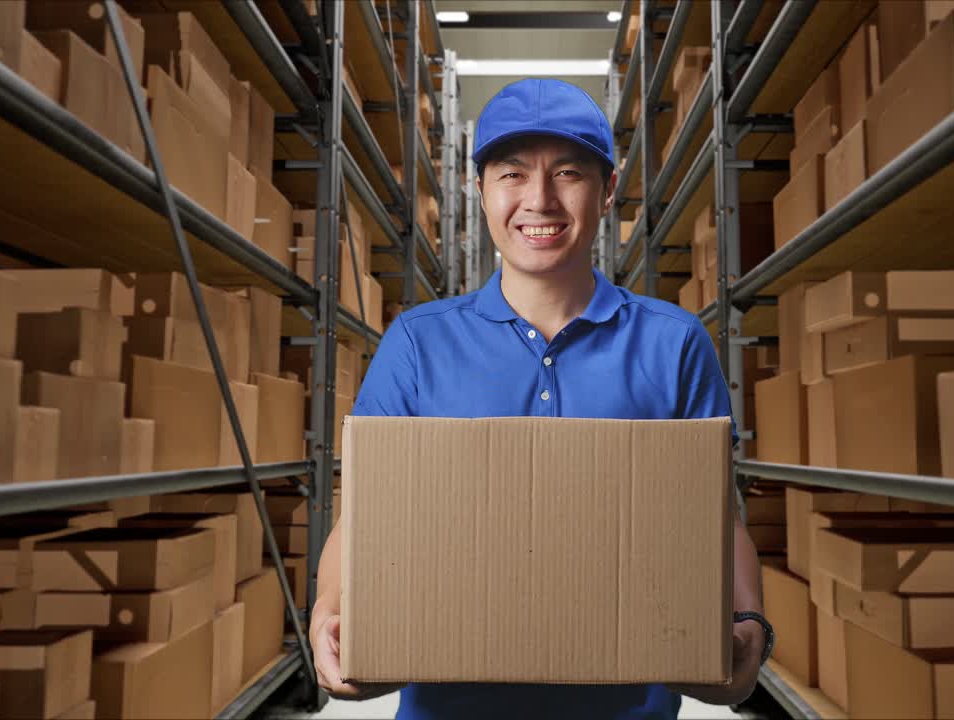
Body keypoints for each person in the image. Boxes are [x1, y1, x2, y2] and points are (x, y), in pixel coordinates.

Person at [310, 78, 771, 719]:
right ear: (480, 191)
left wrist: (748, 623)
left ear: (607, 190)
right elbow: (362, 517)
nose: (539, 200)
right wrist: (330, 611)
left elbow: (718, 520)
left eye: (569, 173)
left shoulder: (674, 343)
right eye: (512, 174)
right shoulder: (418, 343)